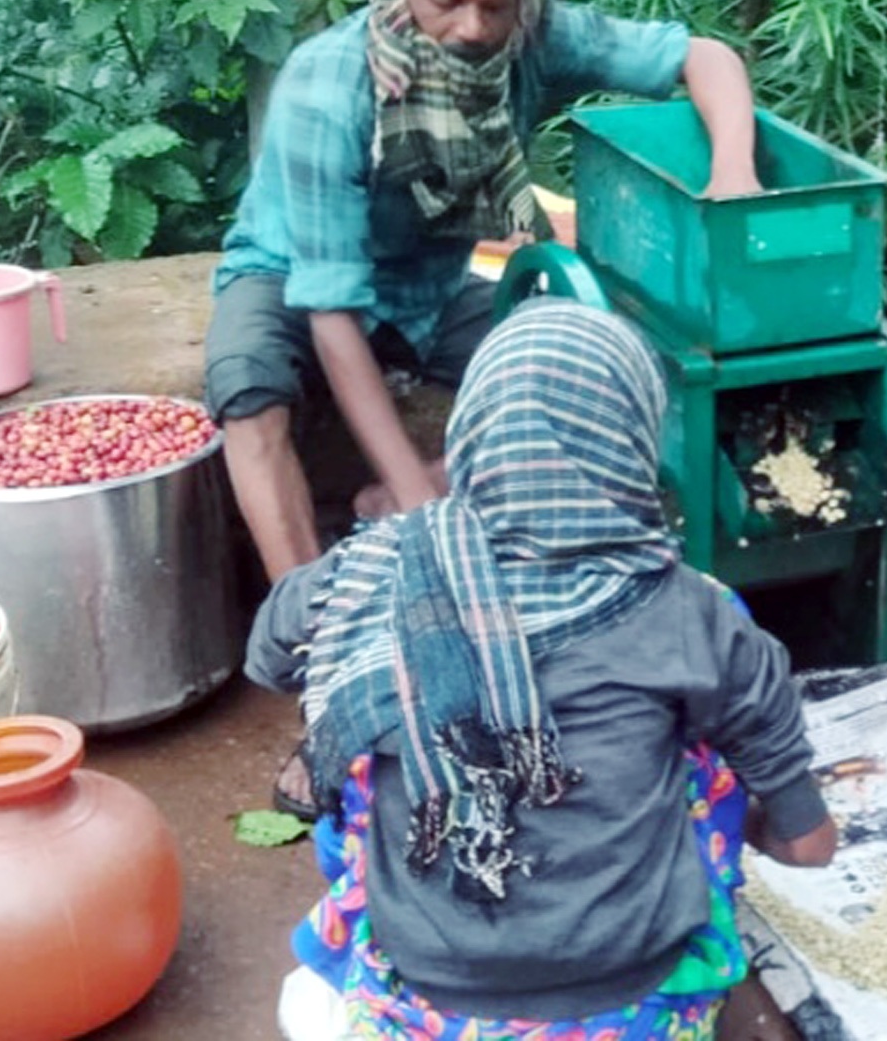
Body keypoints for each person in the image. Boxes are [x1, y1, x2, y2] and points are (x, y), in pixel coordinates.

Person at [247, 300, 836, 1040]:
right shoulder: (696, 613)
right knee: (700, 744)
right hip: (641, 1015)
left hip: (418, 1011)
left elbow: (270, 654)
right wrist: (728, 819)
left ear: (473, 436)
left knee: (368, 733)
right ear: (632, 443)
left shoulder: (376, 570)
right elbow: (811, 845)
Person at [205, 0, 760, 586]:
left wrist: (734, 175)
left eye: (493, 5)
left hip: (429, 291)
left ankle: (435, 486)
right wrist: (411, 498)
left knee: (598, 370)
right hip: (289, 275)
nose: (472, 26)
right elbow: (332, 313)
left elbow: (705, 58)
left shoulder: (535, 38)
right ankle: (310, 621)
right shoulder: (327, 86)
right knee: (248, 391)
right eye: (447, 0)